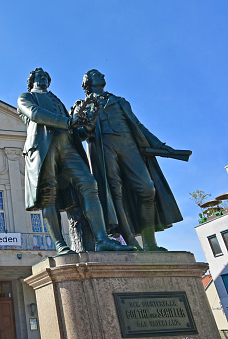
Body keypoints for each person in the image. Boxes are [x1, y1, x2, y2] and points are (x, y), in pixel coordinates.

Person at [17, 68, 135, 255]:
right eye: (38, 77)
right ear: (31, 81)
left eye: (46, 77)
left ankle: (102, 239)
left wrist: (86, 127)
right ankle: (60, 245)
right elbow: (35, 114)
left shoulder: (57, 100)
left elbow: (74, 130)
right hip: (43, 147)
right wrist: (68, 122)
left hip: (68, 146)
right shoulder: (25, 97)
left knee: (89, 184)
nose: (42, 79)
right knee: (49, 194)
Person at [73, 69, 183, 251]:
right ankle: (131, 243)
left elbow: (138, 126)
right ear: (88, 82)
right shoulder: (82, 105)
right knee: (116, 194)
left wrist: (160, 145)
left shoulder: (120, 101)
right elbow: (78, 134)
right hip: (104, 147)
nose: (103, 76)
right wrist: (88, 127)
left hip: (129, 145)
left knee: (147, 189)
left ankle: (149, 242)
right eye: (97, 74)